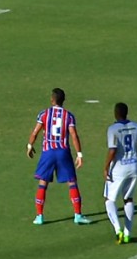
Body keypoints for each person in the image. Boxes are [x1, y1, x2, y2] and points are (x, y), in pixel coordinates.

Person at [26, 88, 90, 226]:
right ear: (63, 100)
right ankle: (78, 215)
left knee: (43, 183)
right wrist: (79, 154)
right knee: (72, 182)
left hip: (48, 152)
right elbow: (73, 135)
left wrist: (30, 146)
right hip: (63, 152)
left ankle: (39, 216)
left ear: (52, 99)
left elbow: (35, 131)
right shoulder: (69, 116)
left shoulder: (44, 114)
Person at [102, 102, 137, 244]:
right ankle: (128, 233)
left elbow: (113, 150)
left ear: (116, 113)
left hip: (118, 168)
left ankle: (118, 230)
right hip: (134, 166)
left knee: (109, 199)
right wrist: (134, 151)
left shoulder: (112, 129)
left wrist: (105, 167)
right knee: (128, 199)